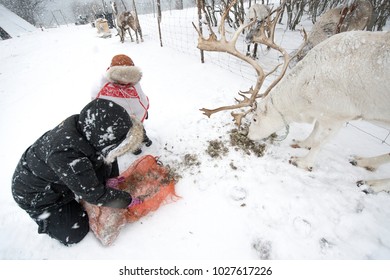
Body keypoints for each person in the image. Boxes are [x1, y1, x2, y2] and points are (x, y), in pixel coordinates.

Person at [11, 99, 144, 246]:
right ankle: (49, 218)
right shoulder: (66, 154)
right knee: (74, 232)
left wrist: (111, 177)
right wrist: (127, 200)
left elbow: (110, 154)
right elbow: (94, 194)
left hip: (63, 173)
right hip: (39, 195)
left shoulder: (88, 129)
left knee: (101, 173)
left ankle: (76, 186)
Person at [95, 54, 152, 155]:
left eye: (129, 76)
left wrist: (145, 108)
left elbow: (141, 97)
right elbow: (96, 106)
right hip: (122, 120)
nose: (125, 81)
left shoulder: (133, 82)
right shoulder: (103, 88)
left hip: (137, 116)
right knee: (130, 134)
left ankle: (143, 138)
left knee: (140, 128)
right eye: (121, 76)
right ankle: (135, 147)